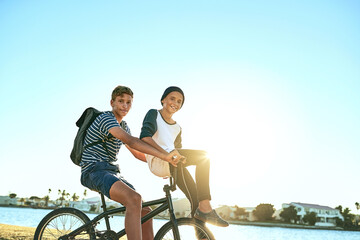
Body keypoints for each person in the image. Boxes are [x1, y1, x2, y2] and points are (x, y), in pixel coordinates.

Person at [80, 85, 184, 240]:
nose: (125, 105)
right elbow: (131, 141)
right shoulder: (105, 118)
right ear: (112, 103)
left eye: (129, 102)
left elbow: (138, 153)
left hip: (112, 171)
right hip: (93, 170)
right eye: (121, 101)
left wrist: (161, 164)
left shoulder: (124, 126)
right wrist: (164, 156)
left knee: (145, 210)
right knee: (134, 200)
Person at [140, 86, 229, 227]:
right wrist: (165, 155)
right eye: (172, 98)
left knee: (196, 200)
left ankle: (203, 221)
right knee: (203, 156)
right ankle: (206, 207)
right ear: (163, 99)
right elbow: (145, 137)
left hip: (173, 163)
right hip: (158, 160)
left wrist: (172, 158)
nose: (175, 103)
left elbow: (178, 150)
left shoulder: (177, 128)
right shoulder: (153, 114)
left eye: (179, 101)